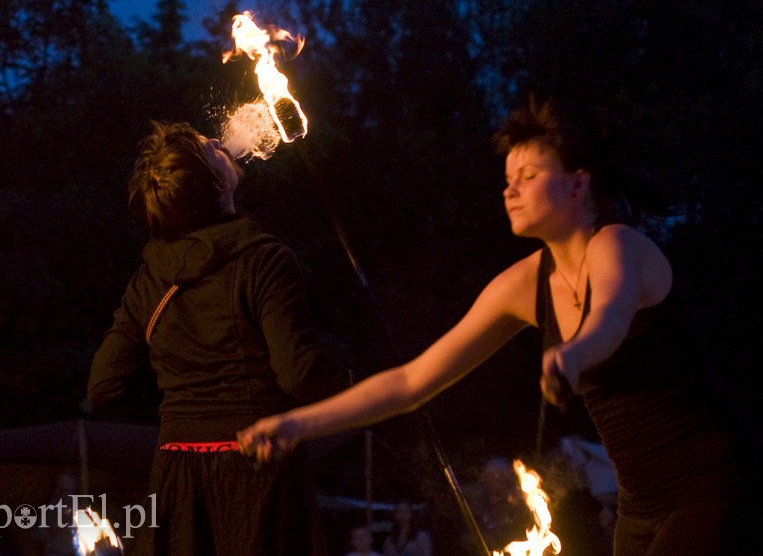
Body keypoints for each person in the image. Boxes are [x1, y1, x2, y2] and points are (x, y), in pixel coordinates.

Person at [237, 96, 750, 554]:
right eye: (508, 180)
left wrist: (573, 355)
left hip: (711, 485)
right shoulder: (523, 285)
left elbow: (608, 319)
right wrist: (299, 423)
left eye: (528, 176)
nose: (511, 190)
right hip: (640, 506)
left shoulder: (617, 244)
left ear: (578, 183)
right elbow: (411, 382)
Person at [87, 121, 353, 555]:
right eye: (207, 148)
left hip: (175, 473)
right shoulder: (264, 259)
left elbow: (101, 388)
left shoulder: (147, 279)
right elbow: (299, 374)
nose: (217, 139)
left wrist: (181, 397)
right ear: (215, 187)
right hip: (255, 466)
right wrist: (363, 388)